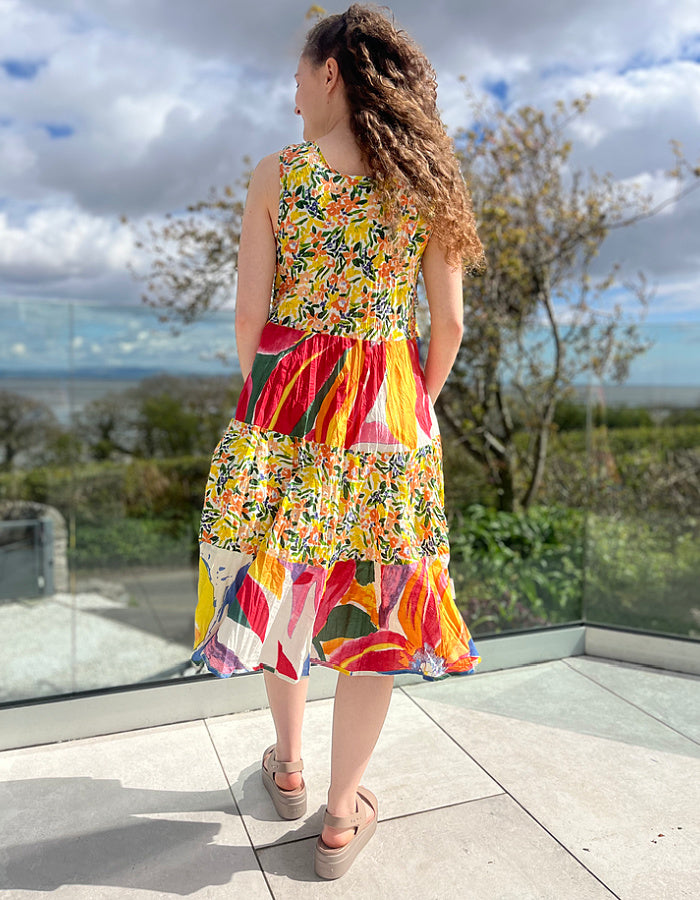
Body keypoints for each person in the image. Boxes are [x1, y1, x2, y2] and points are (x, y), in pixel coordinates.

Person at [192, 3, 484, 880]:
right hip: (389, 413)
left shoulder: (277, 175)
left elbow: (251, 313)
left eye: (296, 79)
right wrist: (408, 408)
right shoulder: (428, 179)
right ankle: (338, 816)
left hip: (285, 400)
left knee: (285, 580)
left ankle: (286, 765)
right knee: (381, 601)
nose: (291, 101)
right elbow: (452, 324)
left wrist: (272, 403)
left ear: (331, 73)